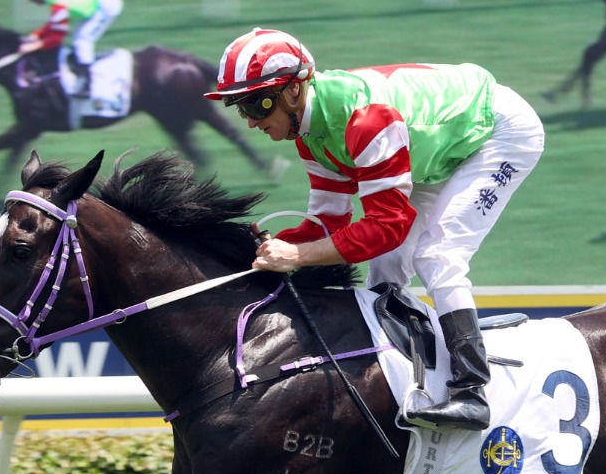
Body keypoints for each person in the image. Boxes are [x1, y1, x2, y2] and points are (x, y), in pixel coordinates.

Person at [204, 28, 546, 432]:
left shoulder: (364, 120)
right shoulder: (311, 134)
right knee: (384, 275)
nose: (249, 121)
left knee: (438, 256)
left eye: (256, 104)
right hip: (432, 146)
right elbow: (327, 224)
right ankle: (405, 378)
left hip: (497, 131)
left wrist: (296, 256)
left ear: (294, 91)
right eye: (238, 108)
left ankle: (471, 393)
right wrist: (260, 251)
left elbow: (385, 228)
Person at [13, 0, 128, 116]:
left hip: (106, 4)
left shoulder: (58, 2)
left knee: (82, 40)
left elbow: (56, 39)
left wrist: (33, 46)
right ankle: (81, 68)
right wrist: (36, 35)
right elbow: (54, 25)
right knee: (77, 38)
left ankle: (87, 83)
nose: (30, 0)